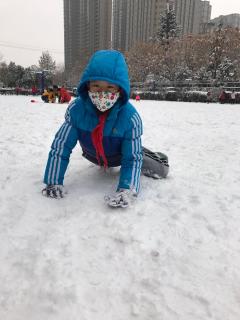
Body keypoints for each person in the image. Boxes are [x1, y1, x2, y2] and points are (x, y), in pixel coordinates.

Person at [42, 50, 169, 208]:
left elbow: (132, 158)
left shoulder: (129, 118)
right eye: (96, 86)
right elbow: (61, 147)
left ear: (119, 89)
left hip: (119, 155)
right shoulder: (76, 111)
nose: (102, 93)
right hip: (94, 154)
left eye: (110, 87)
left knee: (149, 162)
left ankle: (158, 159)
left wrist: (126, 190)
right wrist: (53, 182)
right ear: (87, 85)